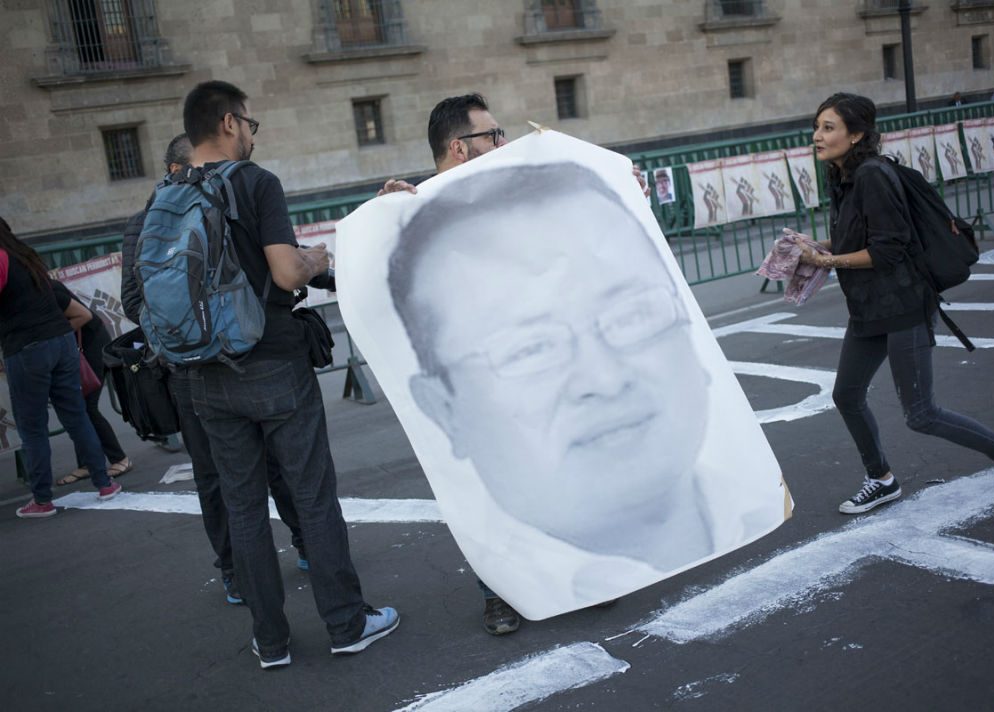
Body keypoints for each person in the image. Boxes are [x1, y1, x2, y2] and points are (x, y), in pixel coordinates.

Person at [378, 94, 650, 635]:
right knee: (482, 490)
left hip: (545, 364)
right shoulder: (410, 209)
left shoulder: (515, 193)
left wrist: (626, 190)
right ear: (459, 148)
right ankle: (499, 594)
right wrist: (382, 219)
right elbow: (375, 278)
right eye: (494, 135)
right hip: (479, 378)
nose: (504, 142)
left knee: (572, 468)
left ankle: (590, 571)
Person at [175, 81, 397, 669]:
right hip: (272, 362)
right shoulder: (255, 182)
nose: (252, 134)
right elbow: (285, 273)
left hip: (204, 372)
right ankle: (347, 624)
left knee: (244, 508)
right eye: (250, 123)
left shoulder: (168, 192)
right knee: (311, 496)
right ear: (229, 122)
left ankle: (270, 641)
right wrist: (316, 259)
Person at [800, 92, 994, 524]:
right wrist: (811, 246)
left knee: (922, 414)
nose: (817, 136)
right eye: (816, 127)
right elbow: (857, 238)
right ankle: (881, 479)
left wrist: (827, 262)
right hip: (869, 307)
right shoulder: (842, 176)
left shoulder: (872, 175)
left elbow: (888, 248)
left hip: (903, 304)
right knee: (846, 394)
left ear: (857, 134)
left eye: (828, 128)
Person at [120, 133, 309, 606]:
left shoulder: (227, 199)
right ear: (172, 170)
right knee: (217, 476)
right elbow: (133, 300)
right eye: (196, 166)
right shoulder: (146, 222)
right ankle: (233, 569)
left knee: (271, 465)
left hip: (236, 356)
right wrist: (188, 323)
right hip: (193, 368)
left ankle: (300, 545)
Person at [0, 217, 122, 518]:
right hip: (61, 341)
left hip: (27, 347)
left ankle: (42, 500)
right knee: (76, 415)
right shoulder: (25, 256)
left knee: (32, 426)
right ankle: (104, 483)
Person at [52, 280, 133, 485]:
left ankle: (119, 458)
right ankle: (87, 463)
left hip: (90, 347)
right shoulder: (41, 287)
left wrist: (53, 337)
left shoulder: (46, 288)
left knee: (86, 407)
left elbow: (84, 316)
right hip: (82, 346)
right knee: (79, 406)